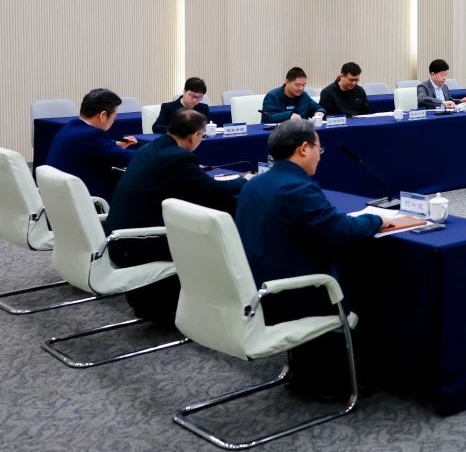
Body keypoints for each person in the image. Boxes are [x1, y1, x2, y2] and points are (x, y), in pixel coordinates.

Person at [235, 119, 419, 398]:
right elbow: (340, 230)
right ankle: (344, 379)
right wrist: (377, 219)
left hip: (257, 283)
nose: (320, 156)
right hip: (291, 293)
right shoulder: (296, 188)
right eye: (319, 149)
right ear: (304, 148)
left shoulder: (255, 184)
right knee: (374, 282)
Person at [105, 109, 247, 322]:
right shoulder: (178, 158)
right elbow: (214, 191)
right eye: (202, 135)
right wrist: (245, 180)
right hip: (136, 243)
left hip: (118, 234)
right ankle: (208, 308)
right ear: (194, 136)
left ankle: (156, 304)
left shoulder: (152, 147)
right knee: (212, 239)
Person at [45, 88, 137, 200]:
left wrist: (115, 144)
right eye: (114, 116)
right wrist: (152, 151)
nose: (114, 121)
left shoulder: (70, 126)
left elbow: (92, 147)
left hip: (58, 197)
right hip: (87, 199)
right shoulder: (92, 135)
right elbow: (124, 158)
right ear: (103, 115)